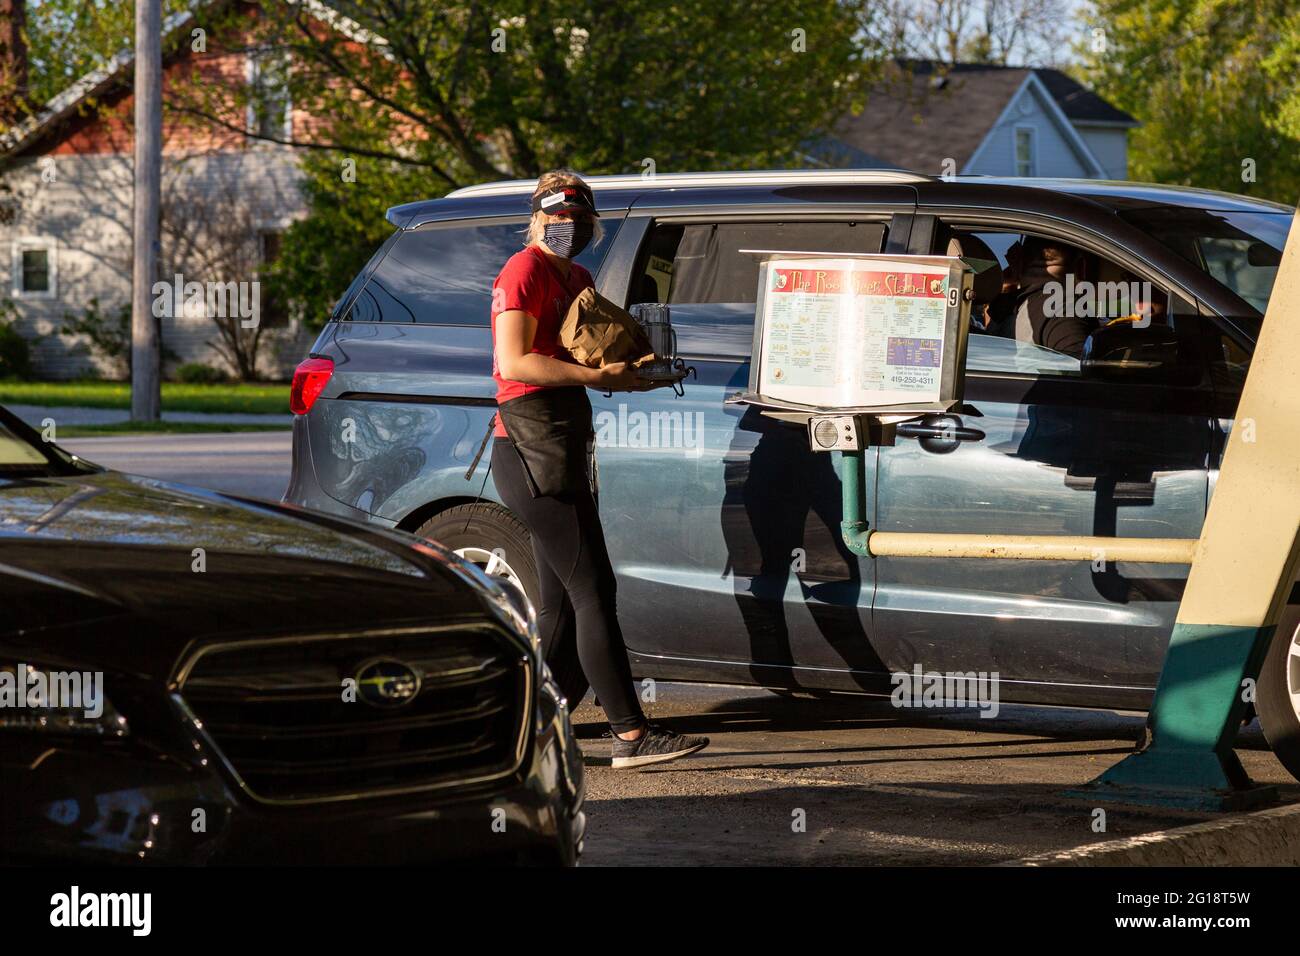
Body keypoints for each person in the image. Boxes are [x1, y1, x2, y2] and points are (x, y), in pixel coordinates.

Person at [489, 169, 709, 769]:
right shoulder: (523, 271)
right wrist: (596, 378)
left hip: (561, 442)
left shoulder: (579, 277)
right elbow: (516, 362)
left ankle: (523, 724)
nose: (570, 230)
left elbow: (590, 351)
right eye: (559, 220)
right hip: (530, 450)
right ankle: (631, 737)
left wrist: (630, 371)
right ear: (538, 220)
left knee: (560, 601)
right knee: (594, 590)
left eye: (581, 222)